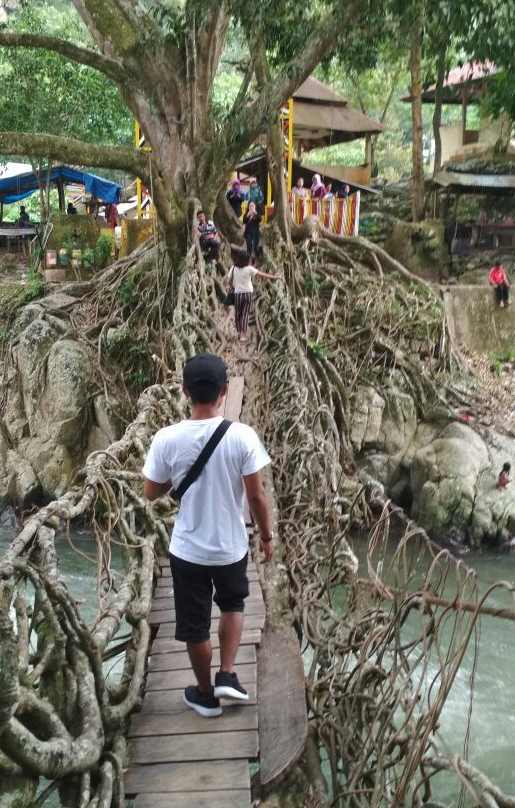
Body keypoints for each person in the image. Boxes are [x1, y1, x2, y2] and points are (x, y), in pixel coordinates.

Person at [143, 353, 274, 718]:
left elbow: (151, 492)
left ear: (185, 391)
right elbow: (256, 496)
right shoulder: (243, 436)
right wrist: (266, 536)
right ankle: (228, 674)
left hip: (188, 551)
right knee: (233, 605)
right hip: (231, 548)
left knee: (194, 625)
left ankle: (204, 695)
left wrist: (177, 473)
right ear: (225, 391)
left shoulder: (166, 438)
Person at [227, 250, 281, 343]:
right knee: (245, 314)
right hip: (248, 293)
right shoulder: (249, 269)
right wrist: (274, 277)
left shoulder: (233, 268)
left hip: (238, 293)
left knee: (238, 313)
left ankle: (240, 331)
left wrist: (230, 286)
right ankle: (242, 336)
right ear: (246, 260)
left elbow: (229, 282)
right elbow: (262, 275)